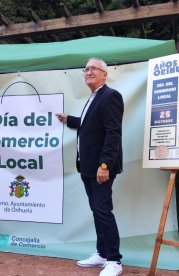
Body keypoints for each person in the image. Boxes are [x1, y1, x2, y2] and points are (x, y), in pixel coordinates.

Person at [55, 58, 124, 276]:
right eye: (86, 69)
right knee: (97, 211)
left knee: (102, 210)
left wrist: (104, 165)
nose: (89, 72)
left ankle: (114, 260)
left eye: (94, 68)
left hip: (101, 168)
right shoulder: (94, 98)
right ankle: (102, 253)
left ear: (105, 74)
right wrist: (70, 120)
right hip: (87, 167)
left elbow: (113, 133)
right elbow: (89, 125)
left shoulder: (110, 96)